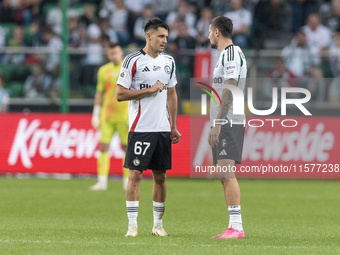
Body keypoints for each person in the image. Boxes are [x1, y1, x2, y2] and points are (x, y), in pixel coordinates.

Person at [116, 18, 181, 237]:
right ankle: (132, 226)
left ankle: (158, 225)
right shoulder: (132, 60)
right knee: (135, 175)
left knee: (160, 176)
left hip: (162, 129)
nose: (165, 41)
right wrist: (149, 90)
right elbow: (120, 94)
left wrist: (173, 125)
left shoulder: (169, 61)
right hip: (140, 128)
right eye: (161, 36)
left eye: (166, 37)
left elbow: (171, 93)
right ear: (148, 36)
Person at [207, 16, 247, 239]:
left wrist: (219, 123)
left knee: (226, 172)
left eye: (209, 31)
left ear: (216, 32)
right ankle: (233, 226)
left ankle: (237, 228)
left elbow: (230, 87)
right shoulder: (227, 54)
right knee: (223, 172)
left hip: (229, 121)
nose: (208, 36)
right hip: (227, 120)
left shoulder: (230, 53)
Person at [90, 43, 129, 191]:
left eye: (116, 53)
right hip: (106, 116)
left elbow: (136, 91)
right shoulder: (103, 70)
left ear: (121, 53)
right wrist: (95, 113)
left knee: (127, 149)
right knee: (103, 147)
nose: (114, 55)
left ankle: (127, 181)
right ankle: (102, 181)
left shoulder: (128, 69)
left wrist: (134, 113)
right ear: (108, 54)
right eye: (111, 53)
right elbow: (100, 92)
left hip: (124, 116)